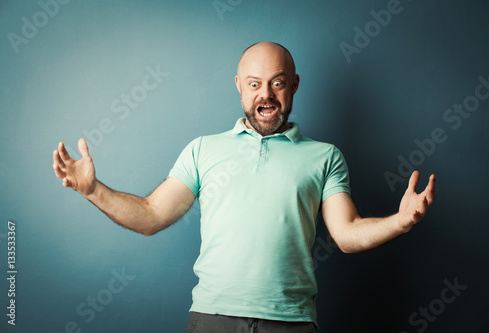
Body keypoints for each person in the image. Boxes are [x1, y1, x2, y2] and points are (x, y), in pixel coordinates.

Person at [52, 41, 436, 333]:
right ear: (239, 86)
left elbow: (347, 234)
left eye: (277, 83)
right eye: (254, 84)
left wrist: (399, 222)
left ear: (294, 85)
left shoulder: (325, 157)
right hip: (212, 319)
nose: (265, 94)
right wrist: (93, 190)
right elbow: (152, 215)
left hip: (291, 323)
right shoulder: (203, 149)